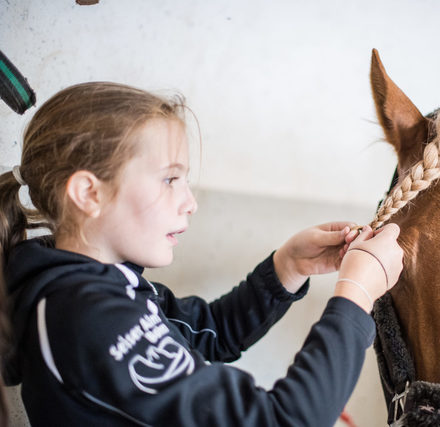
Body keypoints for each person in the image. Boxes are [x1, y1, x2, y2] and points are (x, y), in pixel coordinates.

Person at [0, 82, 403, 426]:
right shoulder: (85, 316)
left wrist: (288, 266)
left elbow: (209, 330)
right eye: (170, 179)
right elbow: (282, 420)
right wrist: (355, 296)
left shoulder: (107, 287)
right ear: (89, 193)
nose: (190, 202)